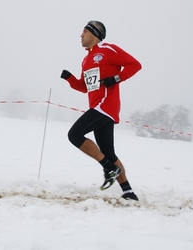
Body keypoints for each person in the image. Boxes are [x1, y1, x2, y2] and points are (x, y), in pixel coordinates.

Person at [60, 20, 141, 201]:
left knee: (74, 134)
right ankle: (128, 192)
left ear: (94, 33)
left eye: (84, 32)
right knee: (108, 151)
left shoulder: (108, 49)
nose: (81, 36)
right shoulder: (86, 59)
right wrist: (70, 78)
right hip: (97, 106)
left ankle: (108, 167)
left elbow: (135, 65)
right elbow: (84, 87)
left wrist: (116, 78)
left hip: (105, 106)